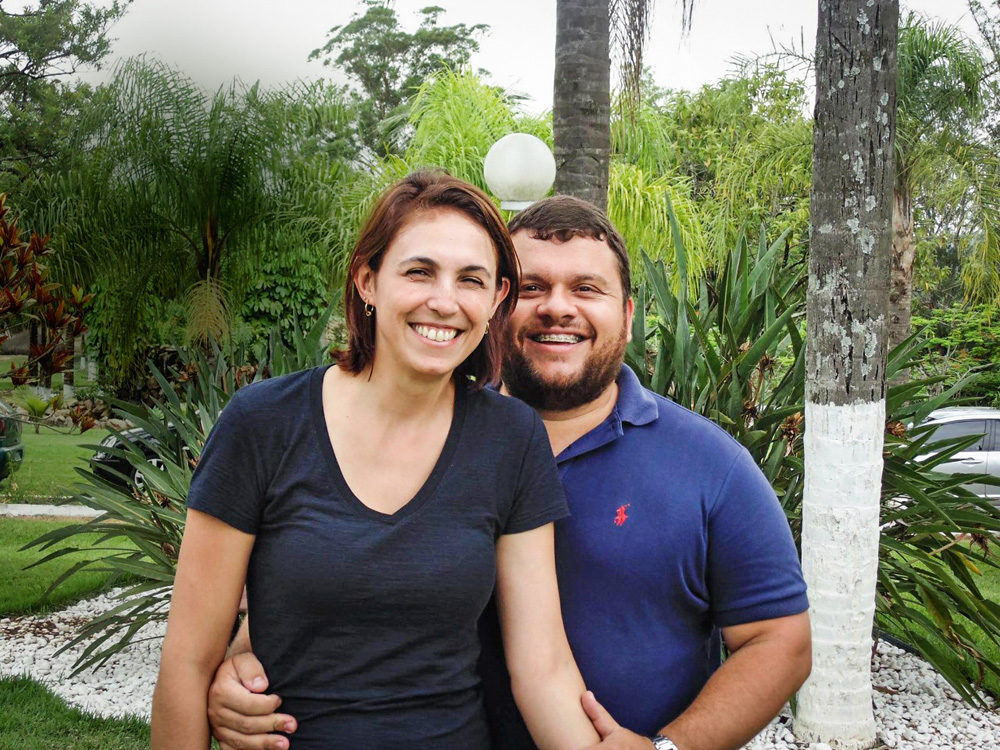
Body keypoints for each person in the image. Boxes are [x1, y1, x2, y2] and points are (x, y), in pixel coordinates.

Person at [207, 196, 812, 750]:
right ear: (498, 303)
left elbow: (780, 642)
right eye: (531, 287)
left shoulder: (710, 465)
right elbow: (343, 566)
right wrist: (245, 655)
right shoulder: (437, 433)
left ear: (626, 315)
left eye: (586, 288)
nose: (557, 307)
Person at [150, 174, 603, 750]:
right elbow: (188, 663)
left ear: (495, 301)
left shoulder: (510, 439)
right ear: (368, 280)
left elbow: (542, 669)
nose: (444, 300)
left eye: (471, 280)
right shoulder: (263, 424)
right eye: (419, 271)